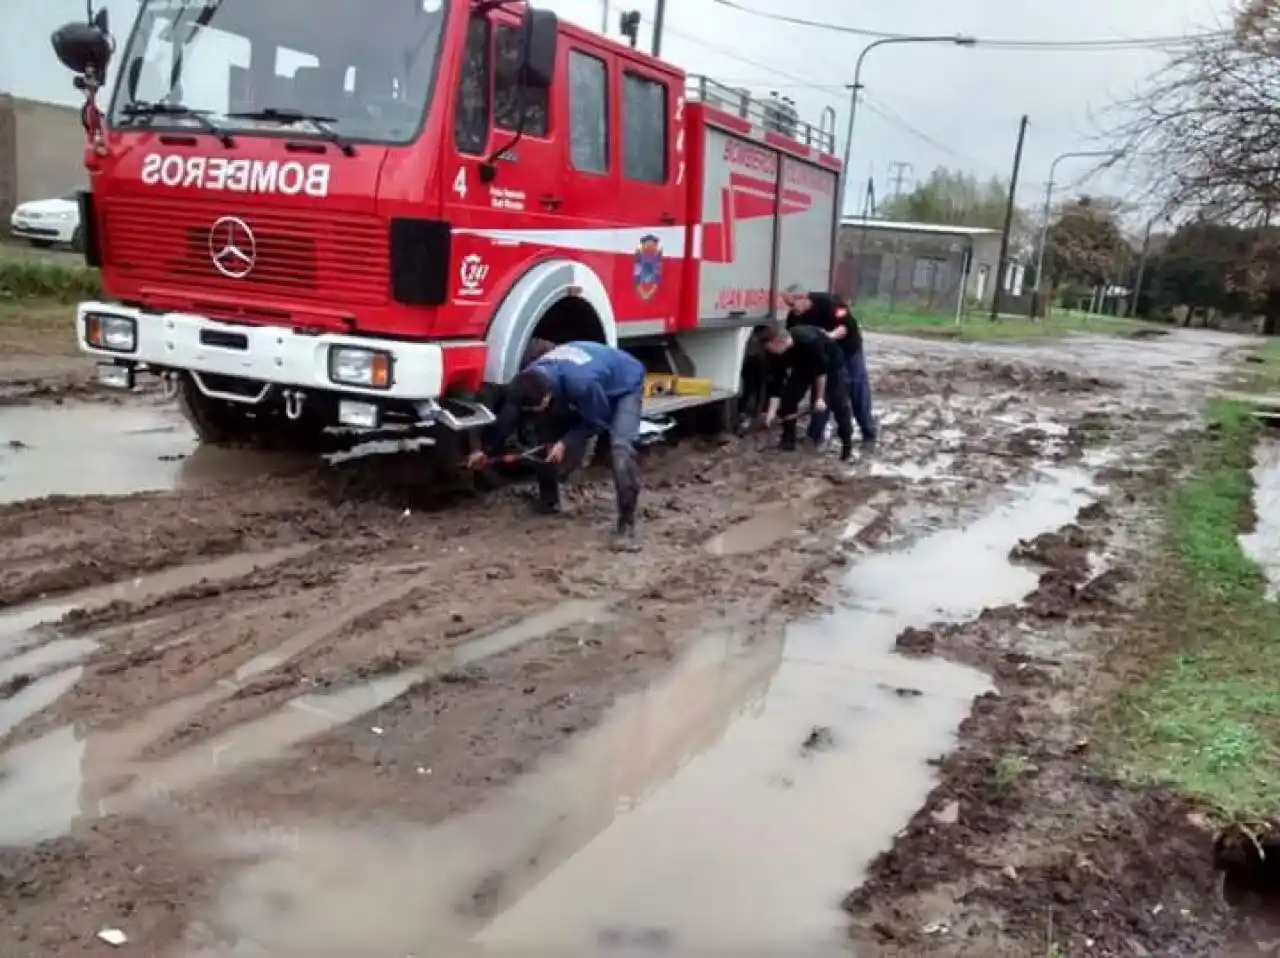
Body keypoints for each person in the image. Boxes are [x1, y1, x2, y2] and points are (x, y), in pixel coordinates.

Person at [468, 341, 646, 549]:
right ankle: (549, 501)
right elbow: (511, 416)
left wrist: (565, 443)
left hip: (626, 380)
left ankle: (627, 526)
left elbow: (597, 421)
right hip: (586, 369)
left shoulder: (581, 385)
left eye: (538, 408)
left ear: (546, 398)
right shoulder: (525, 380)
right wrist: (484, 450)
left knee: (621, 449)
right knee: (545, 433)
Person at [780, 284, 877, 445]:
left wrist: (828, 337)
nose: (791, 308)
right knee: (822, 393)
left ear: (803, 298)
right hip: (822, 354)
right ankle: (814, 436)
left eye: (792, 304)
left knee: (857, 390)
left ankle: (868, 432)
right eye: (787, 305)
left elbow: (846, 326)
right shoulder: (794, 317)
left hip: (848, 351)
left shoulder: (828, 303)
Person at [757, 324, 855, 461]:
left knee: (839, 405)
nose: (770, 353)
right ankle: (787, 441)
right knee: (788, 400)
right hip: (802, 367)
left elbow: (821, 373)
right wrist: (771, 412)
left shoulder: (809, 342)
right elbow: (776, 383)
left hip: (830, 367)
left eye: (771, 349)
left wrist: (820, 398)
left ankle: (847, 448)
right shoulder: (775, 353)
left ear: (780, 342)